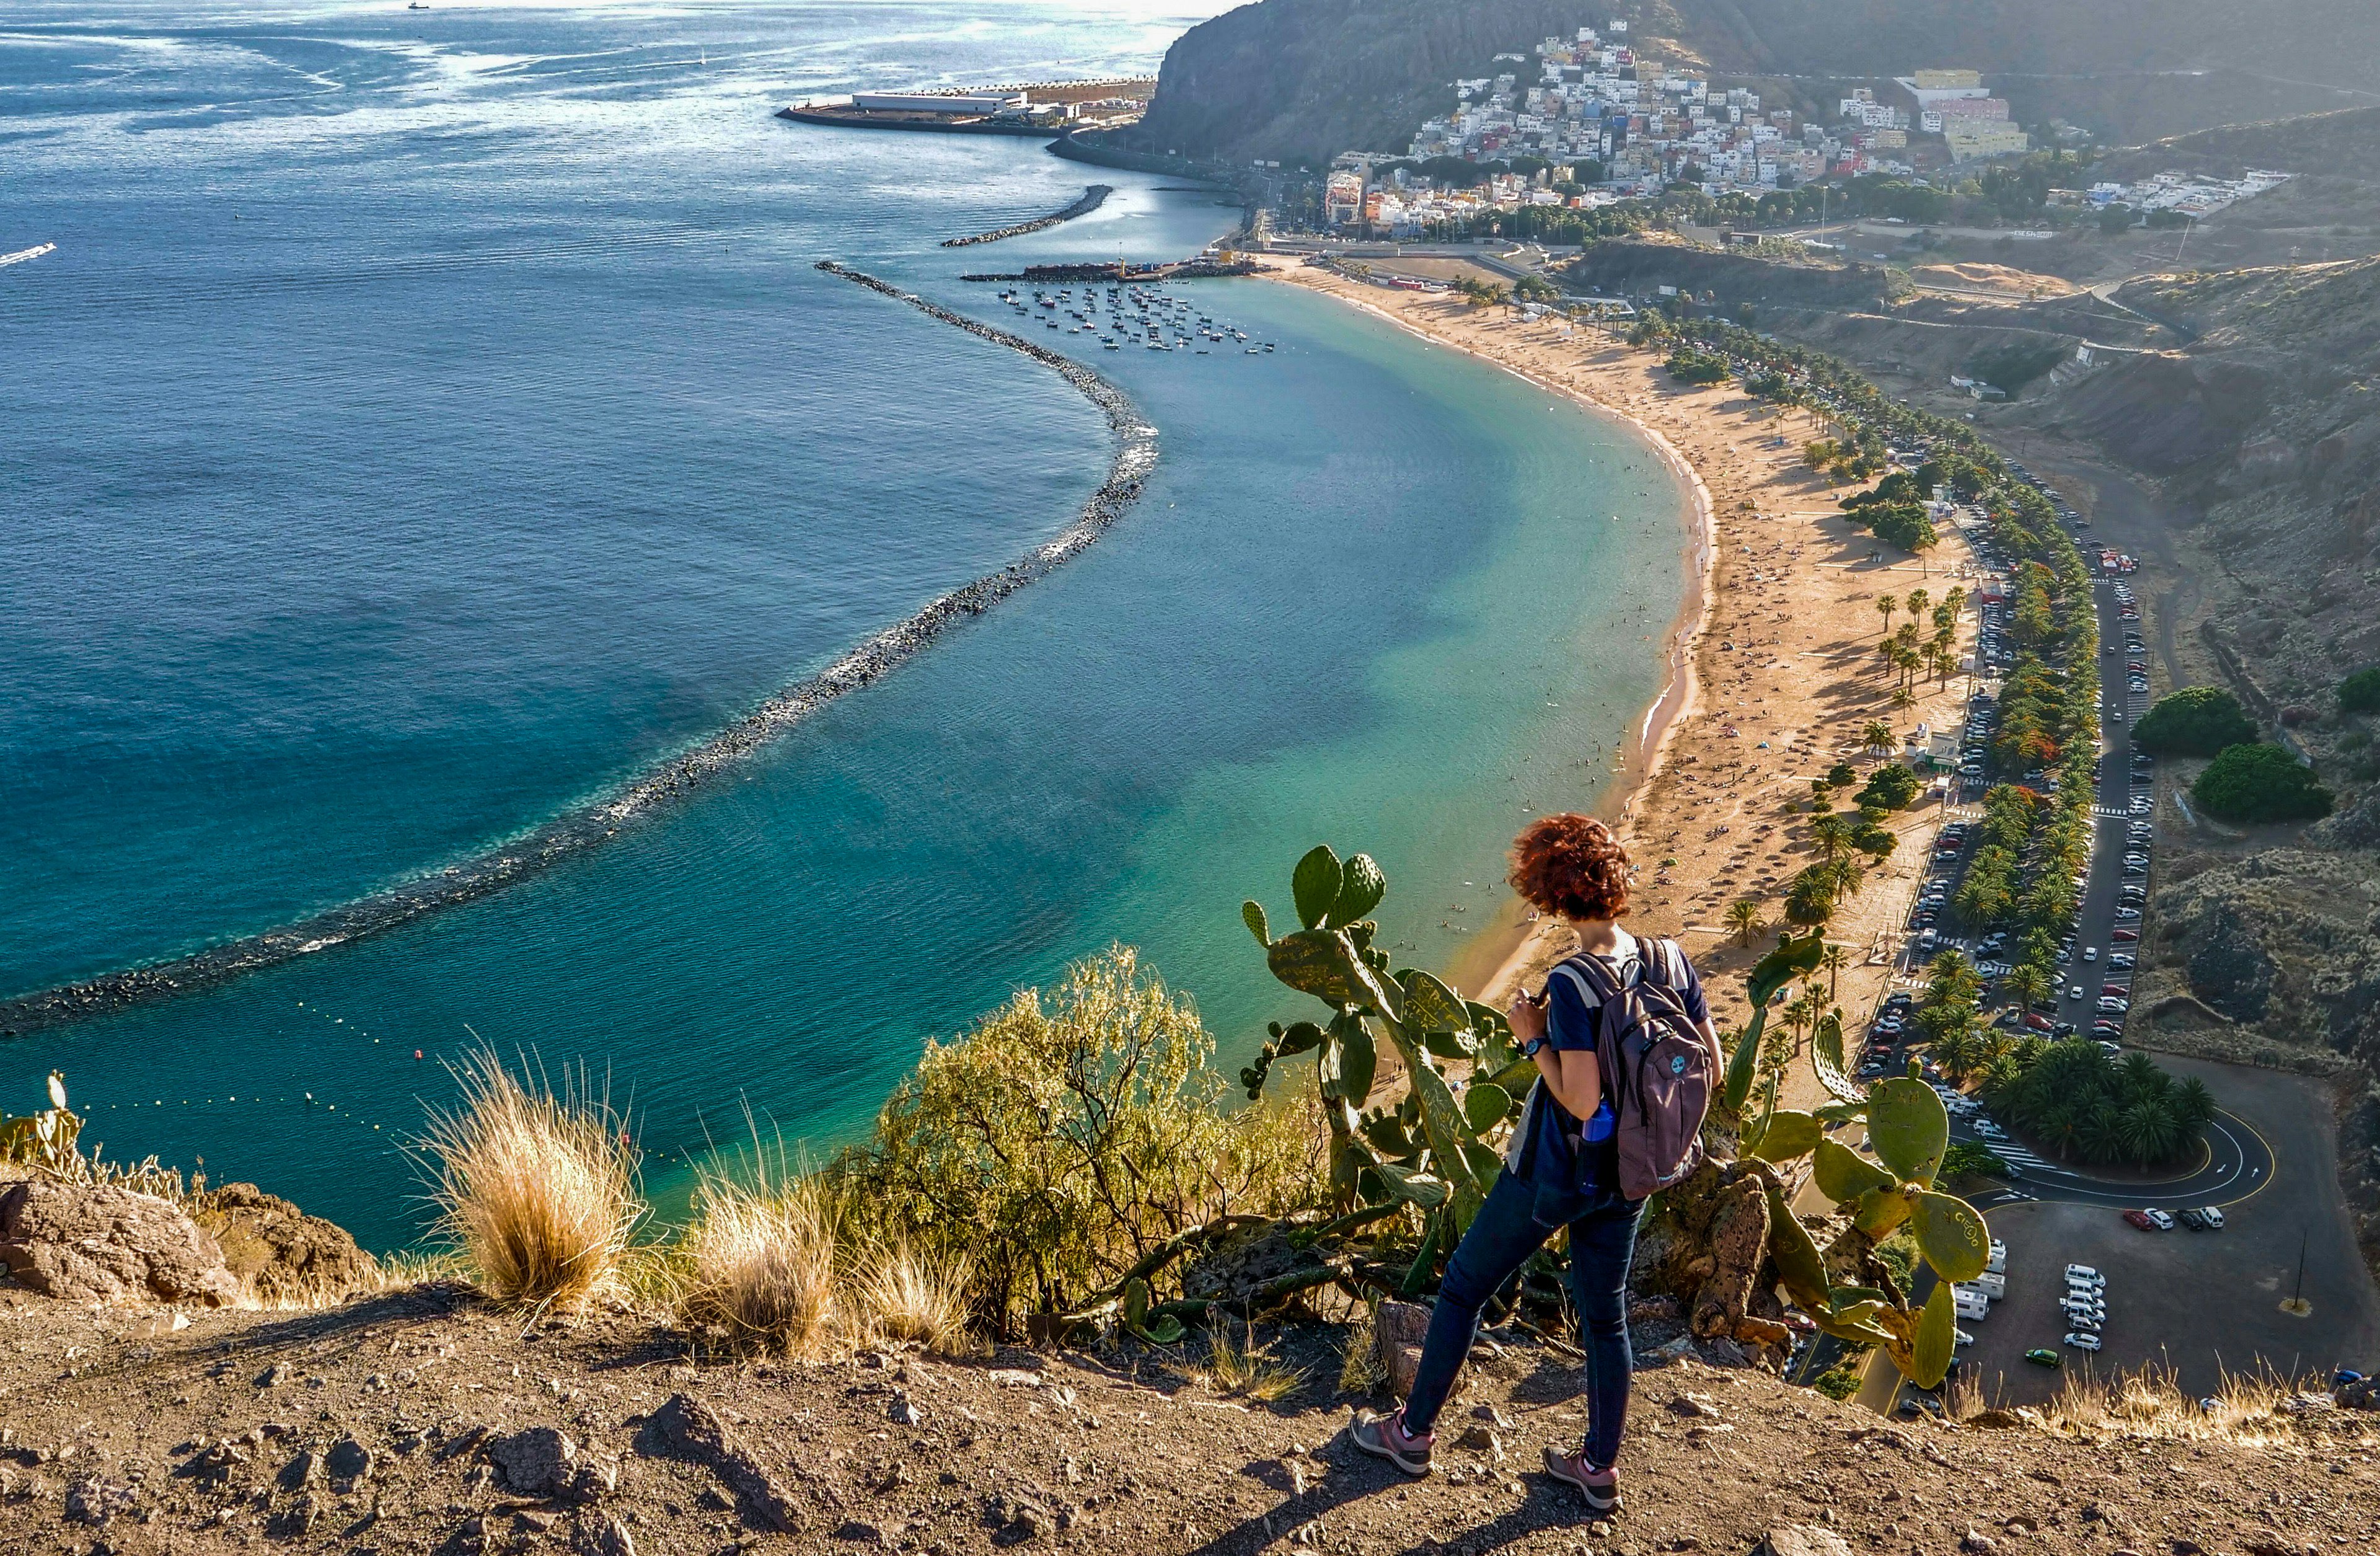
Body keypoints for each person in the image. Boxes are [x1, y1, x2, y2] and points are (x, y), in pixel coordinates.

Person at [1351, 813, 1721, 1516]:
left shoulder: (1576, 980)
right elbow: (1712, 1063)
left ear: (1552, 894)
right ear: (1616, 883)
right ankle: (1598, 1467)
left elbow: (1579, 1097)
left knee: (1463, 1286)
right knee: (1605, 1317)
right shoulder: (1671, 958)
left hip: (1557, 1173)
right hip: (1636, 1173)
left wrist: (1530, 1039)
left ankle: (1412, 1433)